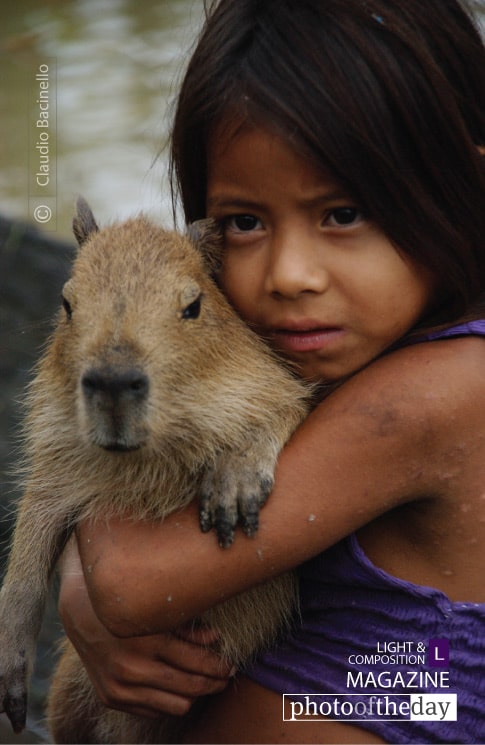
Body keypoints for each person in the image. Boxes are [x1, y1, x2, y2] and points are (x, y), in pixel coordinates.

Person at [58, 0, 485, 742]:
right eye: (244, 223)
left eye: (344, 212)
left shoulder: (435, 393)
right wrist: (76, 587)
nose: (288, 275)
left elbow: (131, 581)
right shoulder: (339, 346)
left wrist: (86, 593)